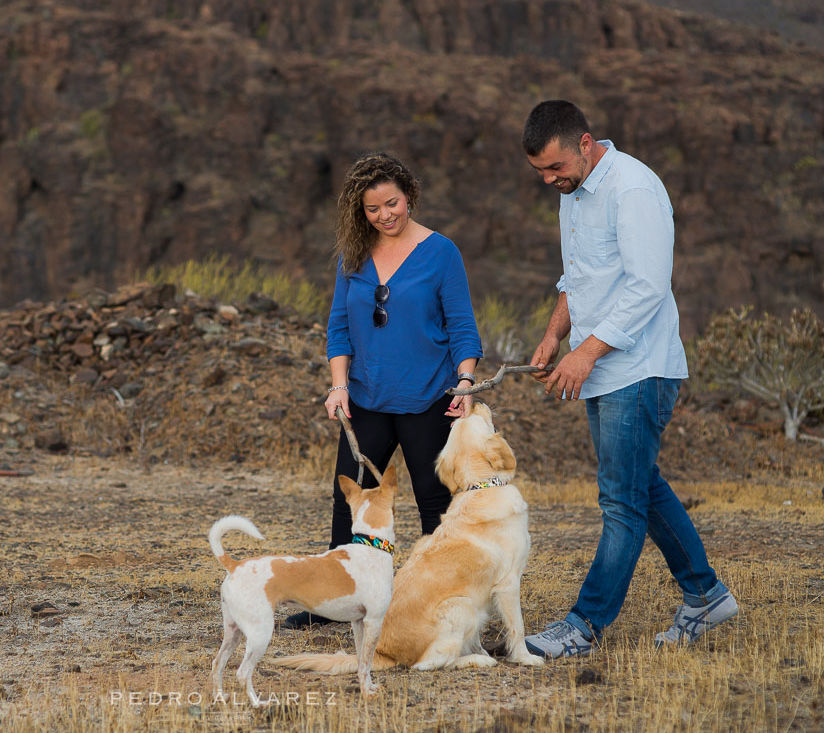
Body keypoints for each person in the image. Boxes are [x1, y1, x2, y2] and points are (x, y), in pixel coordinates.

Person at [519, 100, 737, 658]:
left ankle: (584, 626)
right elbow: (578, 276)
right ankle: (706, 596)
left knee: (620, 501)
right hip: (603, 368)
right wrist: (553, 337)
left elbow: (648, 287)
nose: (549, 181)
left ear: (585, 143)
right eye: (540, 172)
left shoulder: (633, 189)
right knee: (640, 486)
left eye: (555, 167)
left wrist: (584, 353)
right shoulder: (574, 191)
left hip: (639, 369)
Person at [284, 151, 482, 629]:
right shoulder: (353, 255)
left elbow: (462, 328)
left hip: (430, 399)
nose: (384, 215)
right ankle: (333, 602)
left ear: (409, 197)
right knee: (348, 498)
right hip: (366, 399)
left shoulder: (441, 252)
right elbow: (338, 328)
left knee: (436, 503)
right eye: (372, 209)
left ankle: (442, 604)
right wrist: (338, 387)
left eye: (391, 203)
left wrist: (466, 381)